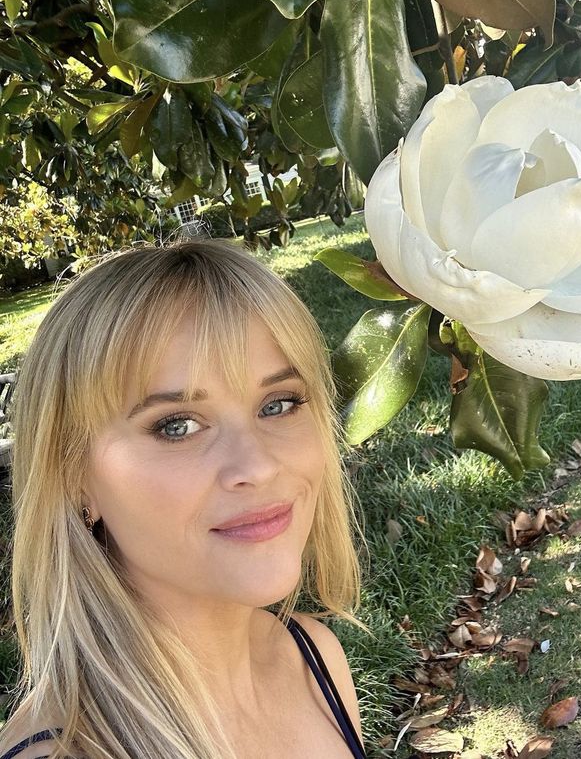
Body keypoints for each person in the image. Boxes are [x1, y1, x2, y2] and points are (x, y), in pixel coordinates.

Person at [0, 240, 366, 759]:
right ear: (72, 476)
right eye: (177, 426)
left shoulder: (313, 659)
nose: (258, 466)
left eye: (278, 404)